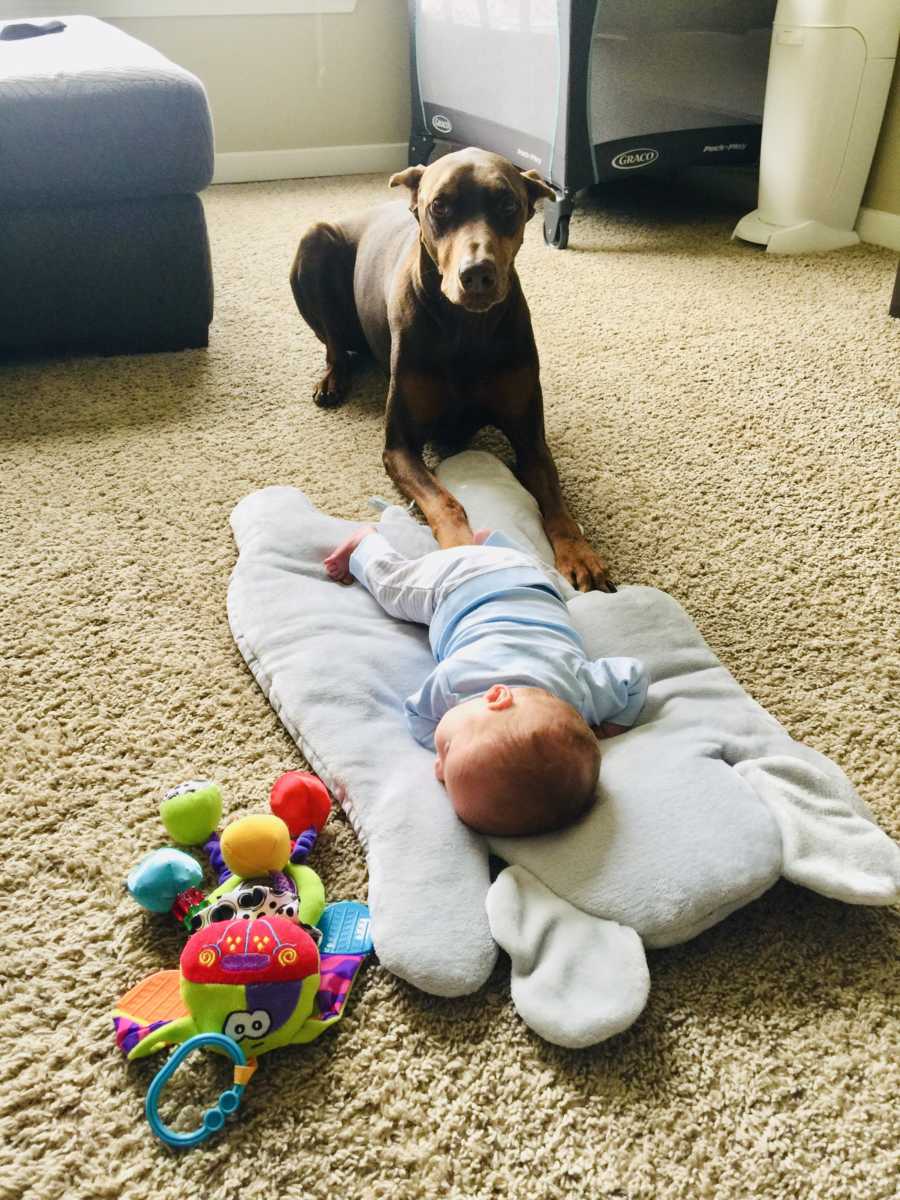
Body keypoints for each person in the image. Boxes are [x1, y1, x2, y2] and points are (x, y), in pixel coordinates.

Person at [324, 526, 648, 837]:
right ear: (496, 697)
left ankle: (492, 541)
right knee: (394, 588)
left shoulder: (583, 694)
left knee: (529, 580)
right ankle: (365, 545)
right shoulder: (454, 680)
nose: (438, 768)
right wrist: (434, 744)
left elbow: (634, 676)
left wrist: (610, 726)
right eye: (447, 753)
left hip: (531, 578)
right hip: (459, 584)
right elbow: (416, 714)